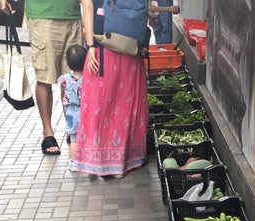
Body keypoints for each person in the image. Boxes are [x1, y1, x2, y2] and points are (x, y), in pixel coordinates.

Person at [73, 0, 180, 179]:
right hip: (131, 46)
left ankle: (99, 161)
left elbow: (88, 5)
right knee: (126, 103)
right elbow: (149, 10)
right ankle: (125, 159)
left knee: (99, 102)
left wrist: (90, 45)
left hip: (104, 46)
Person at [0, 0, 82, 156]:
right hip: (42, 14)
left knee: (71, 80)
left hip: (72, 14)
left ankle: (72, 130)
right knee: (45, 77)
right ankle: (48, 133)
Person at [58, 45, 86, 171]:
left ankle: (74, 162)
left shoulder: (65, 79)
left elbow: (62, 88)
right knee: (87, 138)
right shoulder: (88, 79)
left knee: (73, 139)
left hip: (71, 113)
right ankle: (87, 160)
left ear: (69, 63)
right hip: (85, 112)